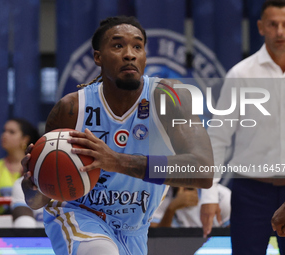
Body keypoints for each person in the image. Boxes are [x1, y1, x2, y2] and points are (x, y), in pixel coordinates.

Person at [21, 16, 214, 255]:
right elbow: (37, 201)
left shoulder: (167, 98)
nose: (129, 54)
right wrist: (34, 185)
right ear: (98, 57)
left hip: (135, 231)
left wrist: (117, 161)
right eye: (117, 45)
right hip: (78, 215)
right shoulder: (72, 109)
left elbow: (204, 171)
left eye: (137, 46)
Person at [200, 0, 285, 254]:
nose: (280, 31)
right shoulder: (241, 74)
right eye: (273, 24)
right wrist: (209, 195)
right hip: (251, 192)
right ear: (260, 27)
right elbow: (218, 137)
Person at [0, 118, 40, 215]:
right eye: (4, 131)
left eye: (11, 132)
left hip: (32, 222)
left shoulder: (37, 169)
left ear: (25, 139)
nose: (4, 135)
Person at [150, 184, 230, 228]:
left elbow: (233, 234)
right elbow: (156, 240)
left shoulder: (222, 195)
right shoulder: (161, 194)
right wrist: (171, 209)